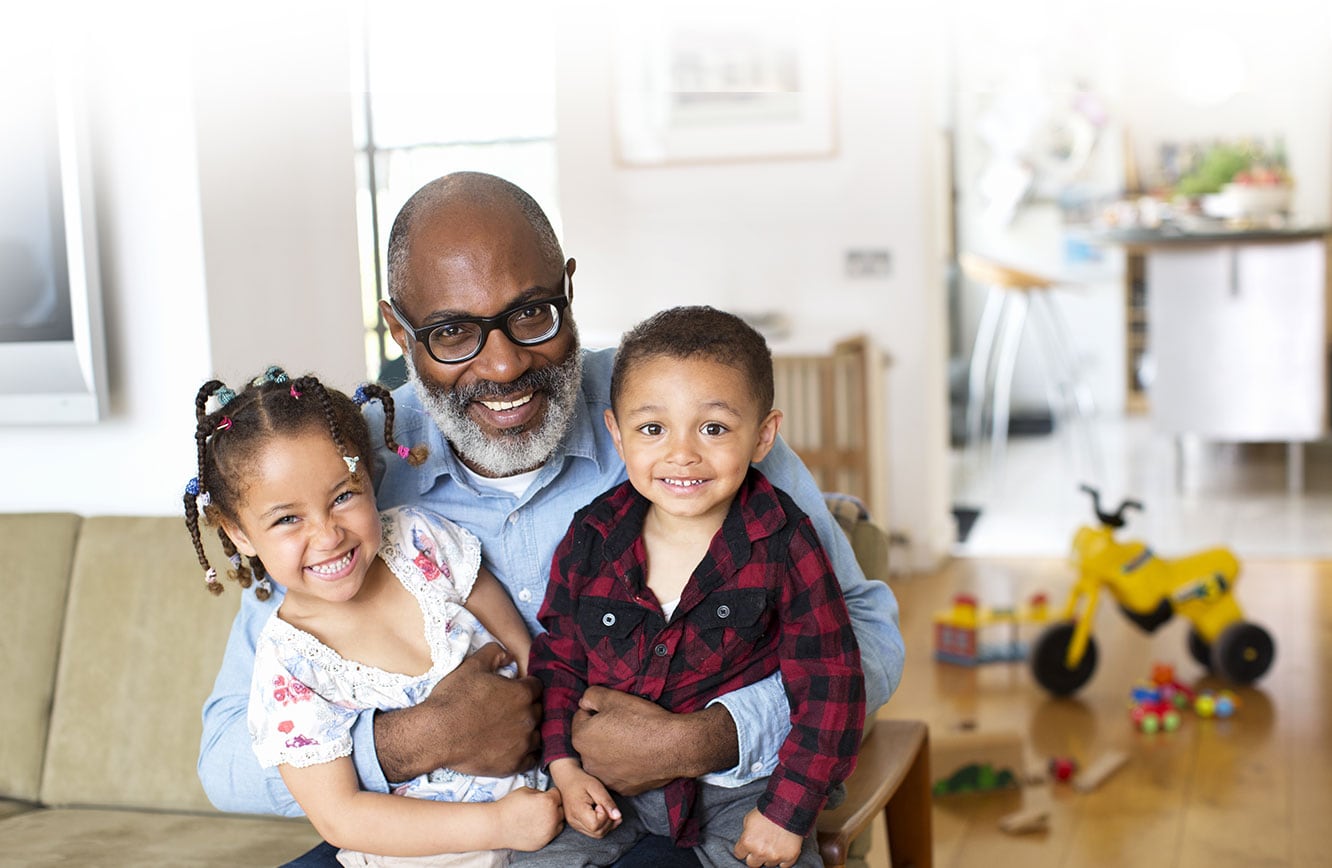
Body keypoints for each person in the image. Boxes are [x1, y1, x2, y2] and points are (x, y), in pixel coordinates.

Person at [198, 172, 906, 868]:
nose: (504, 365)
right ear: (397, 329)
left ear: (568, 288)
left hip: (662, 816)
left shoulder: (688, 420)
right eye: (451, 332)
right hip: (429, 832)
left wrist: (705, 739)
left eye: (532, 313)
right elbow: (228, 758)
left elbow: (865, 638)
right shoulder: (343, 474)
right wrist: (421, 739)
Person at [516, 307, 865, 868]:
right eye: (652, 429)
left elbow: (831, 684)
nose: (682, 453)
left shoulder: (783, 540)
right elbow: (559, 663)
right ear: (617, 435)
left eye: (714, 428)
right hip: (611, 789)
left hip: (744, 787)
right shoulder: (592, 535)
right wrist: (564, 767)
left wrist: (785, 814)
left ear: (763, 436)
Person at [183, 367, 564, 866]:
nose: (327, 535)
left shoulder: (418, 540)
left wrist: (563, 761)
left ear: (368, 475)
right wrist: (497, 824)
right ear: (240, 535)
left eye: (344, 496)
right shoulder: (290, 670)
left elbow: (520, 643)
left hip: (549, 813)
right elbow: (340, 816)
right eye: (287, 519)